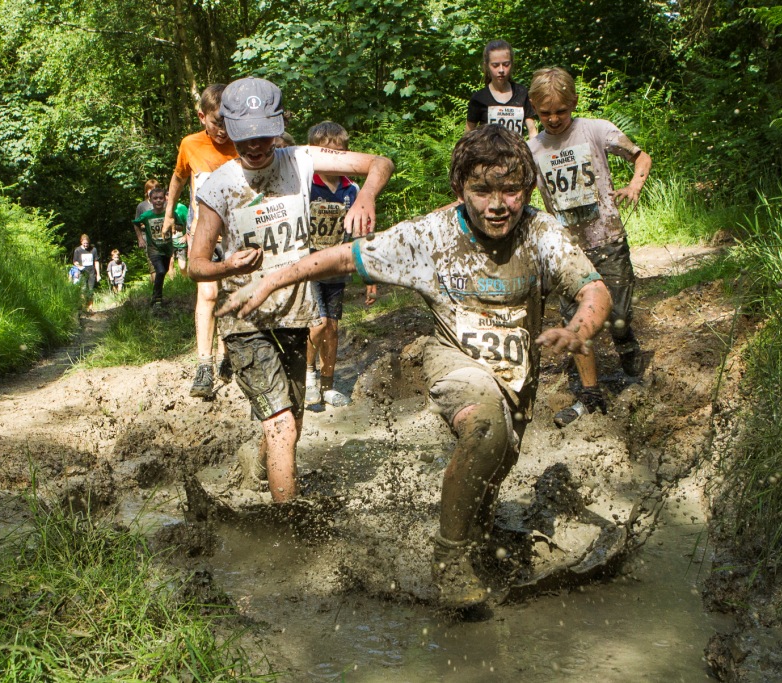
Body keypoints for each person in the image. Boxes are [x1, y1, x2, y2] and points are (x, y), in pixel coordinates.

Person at [219, 125, 611, 608]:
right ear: (460, 189)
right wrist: (273, 279)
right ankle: (448, 561)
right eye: (482, 190)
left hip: (517, 377)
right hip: (454, 362)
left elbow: (594, 289)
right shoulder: (430, 236)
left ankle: (474, 544)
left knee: (491, 474)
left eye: (510, 190)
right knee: (486, 426)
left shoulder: (541, 232)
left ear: (527, 189)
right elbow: (343, 258)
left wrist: (578, 330)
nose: (497, 205)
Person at [189, 77, 394, 504]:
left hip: (295, 316)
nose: (256, 146)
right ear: (229, 130)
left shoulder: (301, 159)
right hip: (245, 320)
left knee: (291, 425)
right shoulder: (218, 186)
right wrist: (228, 265)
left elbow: (380, 162)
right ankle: (288, 524)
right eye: (246, 137)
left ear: (278, 127)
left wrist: (366, 199)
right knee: (281, 424)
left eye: (264, 135)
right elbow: (196, 264)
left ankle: (259, 466)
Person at [527, 66, 652, 428]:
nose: (553, 119)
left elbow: (641, 157)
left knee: (618, 315)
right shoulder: (532, 149)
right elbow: (521, 194)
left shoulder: (596, 129)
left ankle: (626, 347)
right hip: (566, 250)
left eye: (561, 111)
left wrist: (635, 185)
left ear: (574, 102)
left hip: (607, 239)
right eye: (545, 113)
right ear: (534, 108)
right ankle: (590, 393)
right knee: (576, 321)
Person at [163, 84, 239, 398]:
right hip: (202, 234)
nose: (223, 130)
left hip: (236, 234)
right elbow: (179, 177)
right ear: (201, 117)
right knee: (208, 293)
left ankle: (226, 356)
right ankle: (204, 366)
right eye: (217, 122)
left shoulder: (243, 143)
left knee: (231, 294)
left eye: (229, 122)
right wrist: (169, 212)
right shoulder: (190, 145)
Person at [303, 121, 363, 407]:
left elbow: (359, 228)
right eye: (327, 153)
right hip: (309, 266)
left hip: (338, 268)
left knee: (333, 329)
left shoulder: (352, 188)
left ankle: (328, 384)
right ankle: (308, 377)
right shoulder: (306, 185)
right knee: (319, 324)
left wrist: (366, 271)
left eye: (340, 153)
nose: (334, 160)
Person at [465, 40, 538, 140]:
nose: (501, 70)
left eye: (506, 64)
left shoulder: (522, 93)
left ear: (512, 64)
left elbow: (532, 130)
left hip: (516, 150)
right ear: (486, 65)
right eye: (495, 65)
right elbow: (468, 136)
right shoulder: (479, 98)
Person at [133, 187, 186, 307]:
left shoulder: (170, 214)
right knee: (160, 271)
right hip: (153, 249)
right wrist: (140, 239)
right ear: (150, 200)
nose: (158, 200)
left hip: (167, 248)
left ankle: (156, 296)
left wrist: (173, 226)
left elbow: (181, 226)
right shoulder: (146, 215)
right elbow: (136, 224)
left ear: (165, 199)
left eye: (161, 198)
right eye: (155, 198)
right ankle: (157, 299)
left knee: (164, 271)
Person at [71, 234, 101, 312]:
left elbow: (96, 262)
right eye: (84, 243)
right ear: (81, 242)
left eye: (87, 243)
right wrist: (78, 266)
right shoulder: (77, 250)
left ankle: (90, 307)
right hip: (82, 272)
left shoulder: (93, 250)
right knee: (83, 290)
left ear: (89, 242)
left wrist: (98, 274)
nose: (85, 245)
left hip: (91, 273)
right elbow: (75, 261)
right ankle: (83, 307)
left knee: (90, 290)